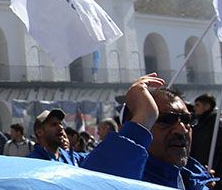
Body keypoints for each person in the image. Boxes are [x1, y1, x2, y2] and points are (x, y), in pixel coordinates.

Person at [27, 74, 162, 180]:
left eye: (61, 124)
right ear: (39, 132)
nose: (60, 128)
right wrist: (144, 115)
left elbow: (107, 162)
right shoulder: (31, 165)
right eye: (53, 125)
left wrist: (144, 117)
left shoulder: (74, 159)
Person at [129, 88, 217, 190]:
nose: (182, 130)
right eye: (166, 120)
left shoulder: (199, 183)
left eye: (187, 120)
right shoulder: (126, 183)